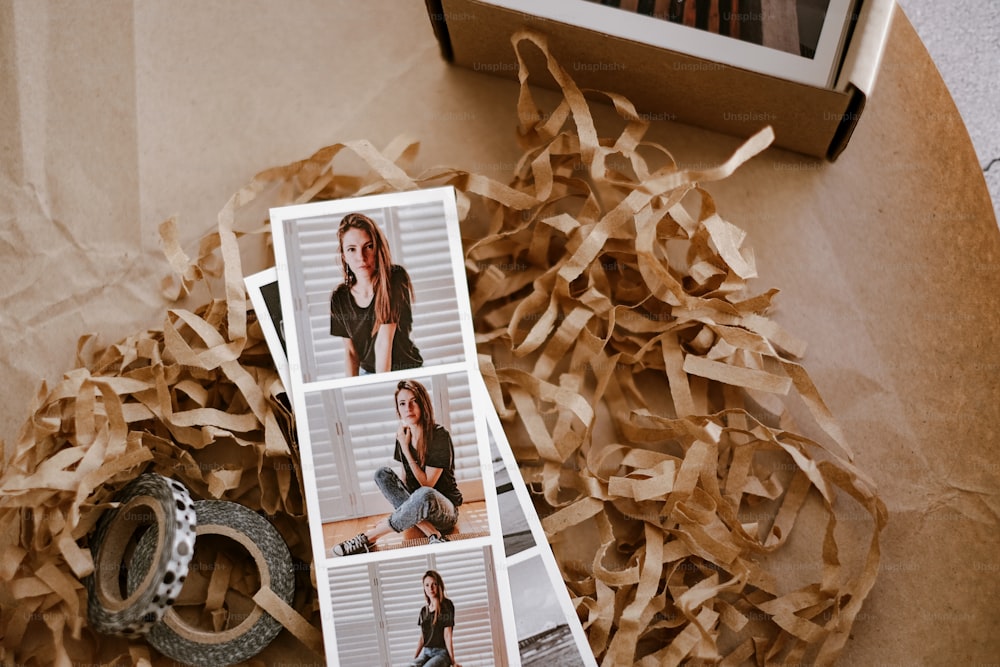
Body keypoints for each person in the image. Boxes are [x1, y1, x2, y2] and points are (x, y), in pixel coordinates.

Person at [332, 379, 463, 556]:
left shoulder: (439, 435)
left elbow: (427, 484)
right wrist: (403, 511)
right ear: (398, 409)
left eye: (413, 401)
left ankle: (368, 538)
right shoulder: (403, 434)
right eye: (402, 403)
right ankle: (432, 534)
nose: (408, 408)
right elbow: (405, 482)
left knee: (424, 493)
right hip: (418, 507)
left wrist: (406, 449)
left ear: (423, 403)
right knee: (382, 474)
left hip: (443, 511)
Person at [329, 212, 423, 375]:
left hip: (406, 370)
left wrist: (381, 385)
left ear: (378, 248)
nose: (361, 257)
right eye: (352, 249)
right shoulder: (340, 297)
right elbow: (351, 353)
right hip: (370, 372)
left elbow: (383, 343)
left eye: (369, 246)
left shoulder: (394, 278)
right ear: (344, 256)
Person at [409, 570, 460, 667]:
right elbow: (422, 638)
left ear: (439, 585)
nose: (430, 588)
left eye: (434, 584)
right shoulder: (424, 611)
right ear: (424, 588)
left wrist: (453, 661)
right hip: (426, 653)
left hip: (442, 653)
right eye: (427, 585)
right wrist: (414, 659)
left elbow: (447, 635)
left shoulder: (447, 605)